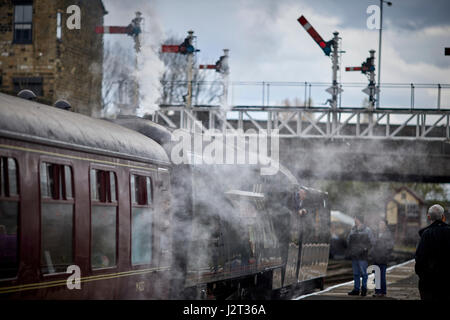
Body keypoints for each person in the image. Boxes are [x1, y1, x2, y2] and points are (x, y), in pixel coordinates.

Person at [415, 204, 450, 300]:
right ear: (443, 217)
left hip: (428, 280)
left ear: (428, 217)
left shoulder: (425, 234)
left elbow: (419, 258)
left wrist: (422, 275)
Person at [346, 214, 374, 296]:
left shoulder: (367, 230)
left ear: (359, 220)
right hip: (354, 255)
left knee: (364, 273)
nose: (354, 220)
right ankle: (356, 289)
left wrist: (366, 249)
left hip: (362, 256)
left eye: (355, 218)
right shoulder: (353, 230)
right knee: (356, 273)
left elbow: (372, 242)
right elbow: (348, 240)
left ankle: (364, 289)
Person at [370, 219, 394, 297]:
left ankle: (383, 291)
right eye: (380, 224)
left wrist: (385, 253)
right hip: (376, 257)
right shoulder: (376, 233)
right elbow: (372, 242)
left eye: (382, 224)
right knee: (376, 276)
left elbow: (390, 246)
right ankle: (378, 291)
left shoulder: (388, 234)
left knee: (382, 276)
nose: (380, 225)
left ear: (385, 225)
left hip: (383, 257)